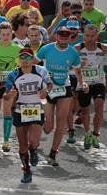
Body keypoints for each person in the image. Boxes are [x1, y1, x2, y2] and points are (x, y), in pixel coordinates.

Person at [35, 26, 84, 166]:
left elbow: (78, 71)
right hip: (48, 89)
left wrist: (83, 84)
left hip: (64, 89)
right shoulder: (46, 48)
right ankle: (40, 127)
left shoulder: (73, 53)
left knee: (61, 121)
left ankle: (52, 154)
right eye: (61, 34)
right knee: (49, 126)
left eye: (66, 34)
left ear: (70, 37)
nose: (63, 36)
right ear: (56, 36)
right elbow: (33, 63)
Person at [5, 47, 51, 183]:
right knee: (22, 144)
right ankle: (26, 171)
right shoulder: (12, 75)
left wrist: (46, 92)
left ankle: (34, 150)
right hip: (20, 111)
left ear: (32, 59)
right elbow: (6, 96)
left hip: (37, 110)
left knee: (34, 141)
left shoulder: (41, 71)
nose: (25, 61)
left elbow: (49, 84)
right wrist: (10, 95)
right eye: (22, 58)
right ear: (18, 60)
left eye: (28, 58)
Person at [0, 22, 22, 152]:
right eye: (3, 35)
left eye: (8, 34)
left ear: (11, 33)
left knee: (7, 110)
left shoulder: (17, 48)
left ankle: (6, 141)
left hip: (9, 84)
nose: (6, 37)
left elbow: (20, 66)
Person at [75, 24, 106, 149]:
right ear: (84, 35)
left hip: (98, 82)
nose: (90, 38)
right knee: (85, 110)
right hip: (84, 83)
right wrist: (79, 66)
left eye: (93, 36)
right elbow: (71, 66)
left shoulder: (103, 48)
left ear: (97, 35)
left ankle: (96, 134)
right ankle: (88, 133)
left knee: (99, 106)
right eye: (87, 35)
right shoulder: (78, 48)